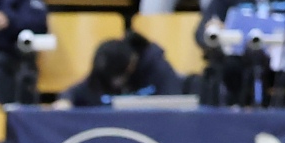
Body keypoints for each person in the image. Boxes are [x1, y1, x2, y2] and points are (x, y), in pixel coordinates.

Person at [56, 33, 188, 106]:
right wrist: (65, 101)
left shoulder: (157, 67)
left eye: (116, 77)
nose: (113, 83)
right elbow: (77, 92)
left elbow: (174, 102)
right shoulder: (103, 73)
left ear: (131, 64)